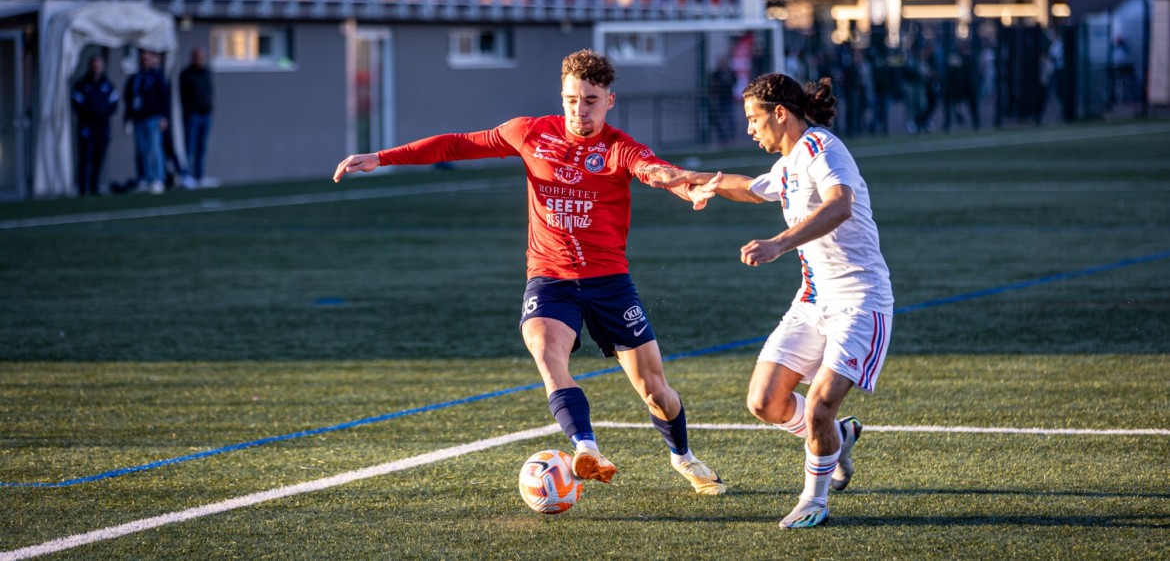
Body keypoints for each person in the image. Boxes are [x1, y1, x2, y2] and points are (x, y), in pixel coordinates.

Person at [332, 49, 727, 495]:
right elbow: (458, 144)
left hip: (609, 282)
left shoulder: (618, 147)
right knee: (545, 350)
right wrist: (381, 157)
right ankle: (587, 447)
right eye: (572, 99)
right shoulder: (530, 133)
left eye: (591, 100)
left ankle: (683, 457)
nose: (580, 110)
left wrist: (674, 179)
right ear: (562, 97)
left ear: (609, 101)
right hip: (550, 278)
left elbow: (650, 168)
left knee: (655, 390)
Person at [640, 72, 894, 528]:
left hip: (860, 301)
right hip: (814, 299)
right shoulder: (789, 162)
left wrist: (779, 243)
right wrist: (698, 180)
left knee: (817, 405)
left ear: (780, 113)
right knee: (764, 401)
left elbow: (840, 205)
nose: (750, 129)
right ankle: (836, 440)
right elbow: (755, 189)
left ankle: (814, 500)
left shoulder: (822, 149)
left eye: (754, 119)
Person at [123, 49, 171, 194]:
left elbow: (164, 97)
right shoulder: (135, 78)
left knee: (155, 149)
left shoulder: (157, 76)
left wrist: (164, 116)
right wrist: (127, 118)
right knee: (142, 151)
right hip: (139, 118)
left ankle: (158, 178)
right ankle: (145, 178)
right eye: (142, 59)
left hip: (153, 117)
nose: (144, 61)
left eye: (147, 59)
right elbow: (129, 99)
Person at [70, 55, 119, 196]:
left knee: (99, 157)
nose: (96, 69)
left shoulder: (107, 84)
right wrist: (90, 113)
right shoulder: (82, 84)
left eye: (98, 66)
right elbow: (76, 103)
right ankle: (82, 188)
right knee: (85, 157)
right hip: (86, 125)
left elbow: (114, 104)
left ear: (102, 67)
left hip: (102, 126)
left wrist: (102, 113)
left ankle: (95, 186)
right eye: (94, 66)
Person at [180, 47, 215, 188]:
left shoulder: (206, 73)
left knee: (202, 148)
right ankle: (187, 176)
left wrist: (210, 108)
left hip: (205, 114)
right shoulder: (187, 74)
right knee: (190, 147)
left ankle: (200, 176)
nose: (200, 60)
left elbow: (209, 91)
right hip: (192, 115)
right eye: (198, 57)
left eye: (202, 57)